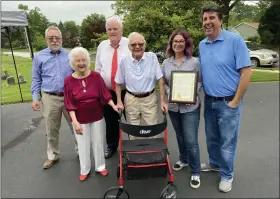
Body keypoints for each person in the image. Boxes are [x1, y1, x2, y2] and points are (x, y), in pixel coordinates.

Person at [199, 5, 252, 193]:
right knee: (212, 138)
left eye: (212, 18)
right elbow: (204, 73)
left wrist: (236, 101)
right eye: (205, 19)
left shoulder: (235, 40)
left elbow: (246, 72)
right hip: (209, 100)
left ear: (221, 20)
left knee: (227, 142)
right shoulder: (202, 44)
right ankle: (214, 164)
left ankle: (227, 174)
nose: (207, 22)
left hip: (228, 102)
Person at [64, 47, 119, 181]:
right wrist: (74, 122)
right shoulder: (68, 81)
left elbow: (105, 94)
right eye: (78, 61)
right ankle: (85, 169)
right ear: (73, 63)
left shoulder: (95, 76)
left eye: (83, 60)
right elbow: (69, 103)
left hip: (97, 116)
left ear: (88, 61)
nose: (81, 63)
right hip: (80, 118)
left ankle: (100, 166)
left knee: (98, 143)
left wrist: (114, 105)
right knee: (83, 145)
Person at [31, 26, 78, 169]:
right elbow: (36, 78)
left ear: (61, 39)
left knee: (76, 126)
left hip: (69, 97)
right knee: (51, 129)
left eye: (57, 37)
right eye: (51, 38)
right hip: (49, 97)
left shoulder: (70, 55)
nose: (54, 40)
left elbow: (78, 74)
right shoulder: (39, 57)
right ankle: (53, 155)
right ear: (46, 40)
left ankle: (81, 152)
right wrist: (35, 98)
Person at [161, 29, 202, 188]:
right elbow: (163, 82)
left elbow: (199, 81)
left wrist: (190, 94)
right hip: (173, 106)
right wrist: (171, 93)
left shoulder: (194, 62)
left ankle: (196, 171)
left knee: (191, 140)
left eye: (181, 41)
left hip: (190, 107)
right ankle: (184, 159)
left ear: (186, 44)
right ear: (171, 44)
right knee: (179, 136)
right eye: (175, 41)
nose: (178, 44)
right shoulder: (166, 63)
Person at [115, 32, 168, 139]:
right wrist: (119, 101)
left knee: (153, 129)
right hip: (131, 99)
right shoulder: (124, 60)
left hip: (149, 99)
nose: (137, 47)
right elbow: (117, 82)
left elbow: (160, 80)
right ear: (129, 46)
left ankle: (153, 154)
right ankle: (134, 154)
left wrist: (162, 101)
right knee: (133, 131)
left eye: (140, 44)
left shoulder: (152, 57)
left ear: (145, 45)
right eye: (134, 44)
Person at [95, 16, 130, 159]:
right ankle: (111, 145)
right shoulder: (102, 46)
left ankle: (136, 145)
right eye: (109, 29)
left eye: (115, 28)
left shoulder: (129, 43)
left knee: (132, 118)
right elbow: (98, 68)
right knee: (110, 121)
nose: (112, 31)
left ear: (121, 29)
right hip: (108, 92)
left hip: (127, 91)